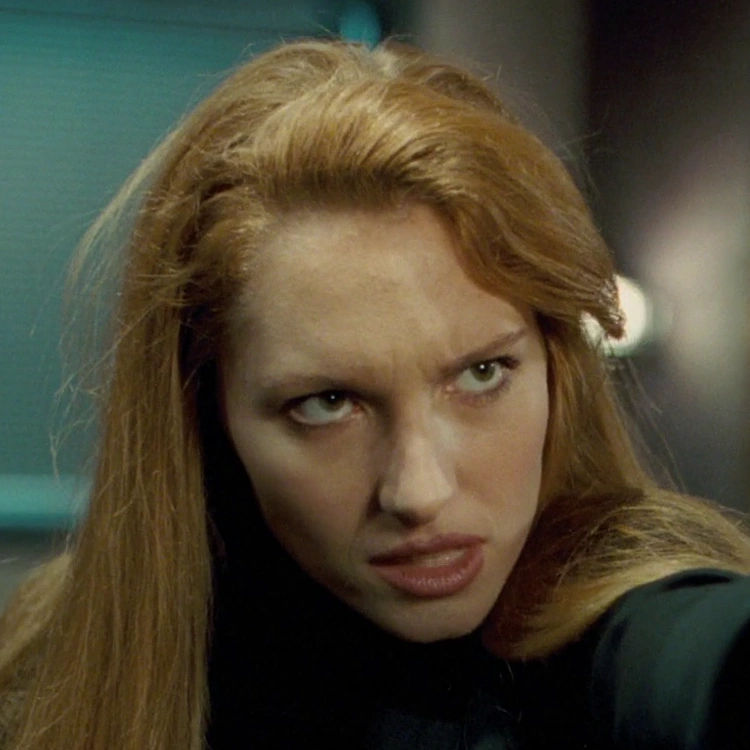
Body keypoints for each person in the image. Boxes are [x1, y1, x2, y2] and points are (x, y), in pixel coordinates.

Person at [0, 38, 749, 750]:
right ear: (209, 412)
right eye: (327, 404)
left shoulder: (631, 638)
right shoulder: (53, 664)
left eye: (481, 374)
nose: (418, 492)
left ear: (556, 368)